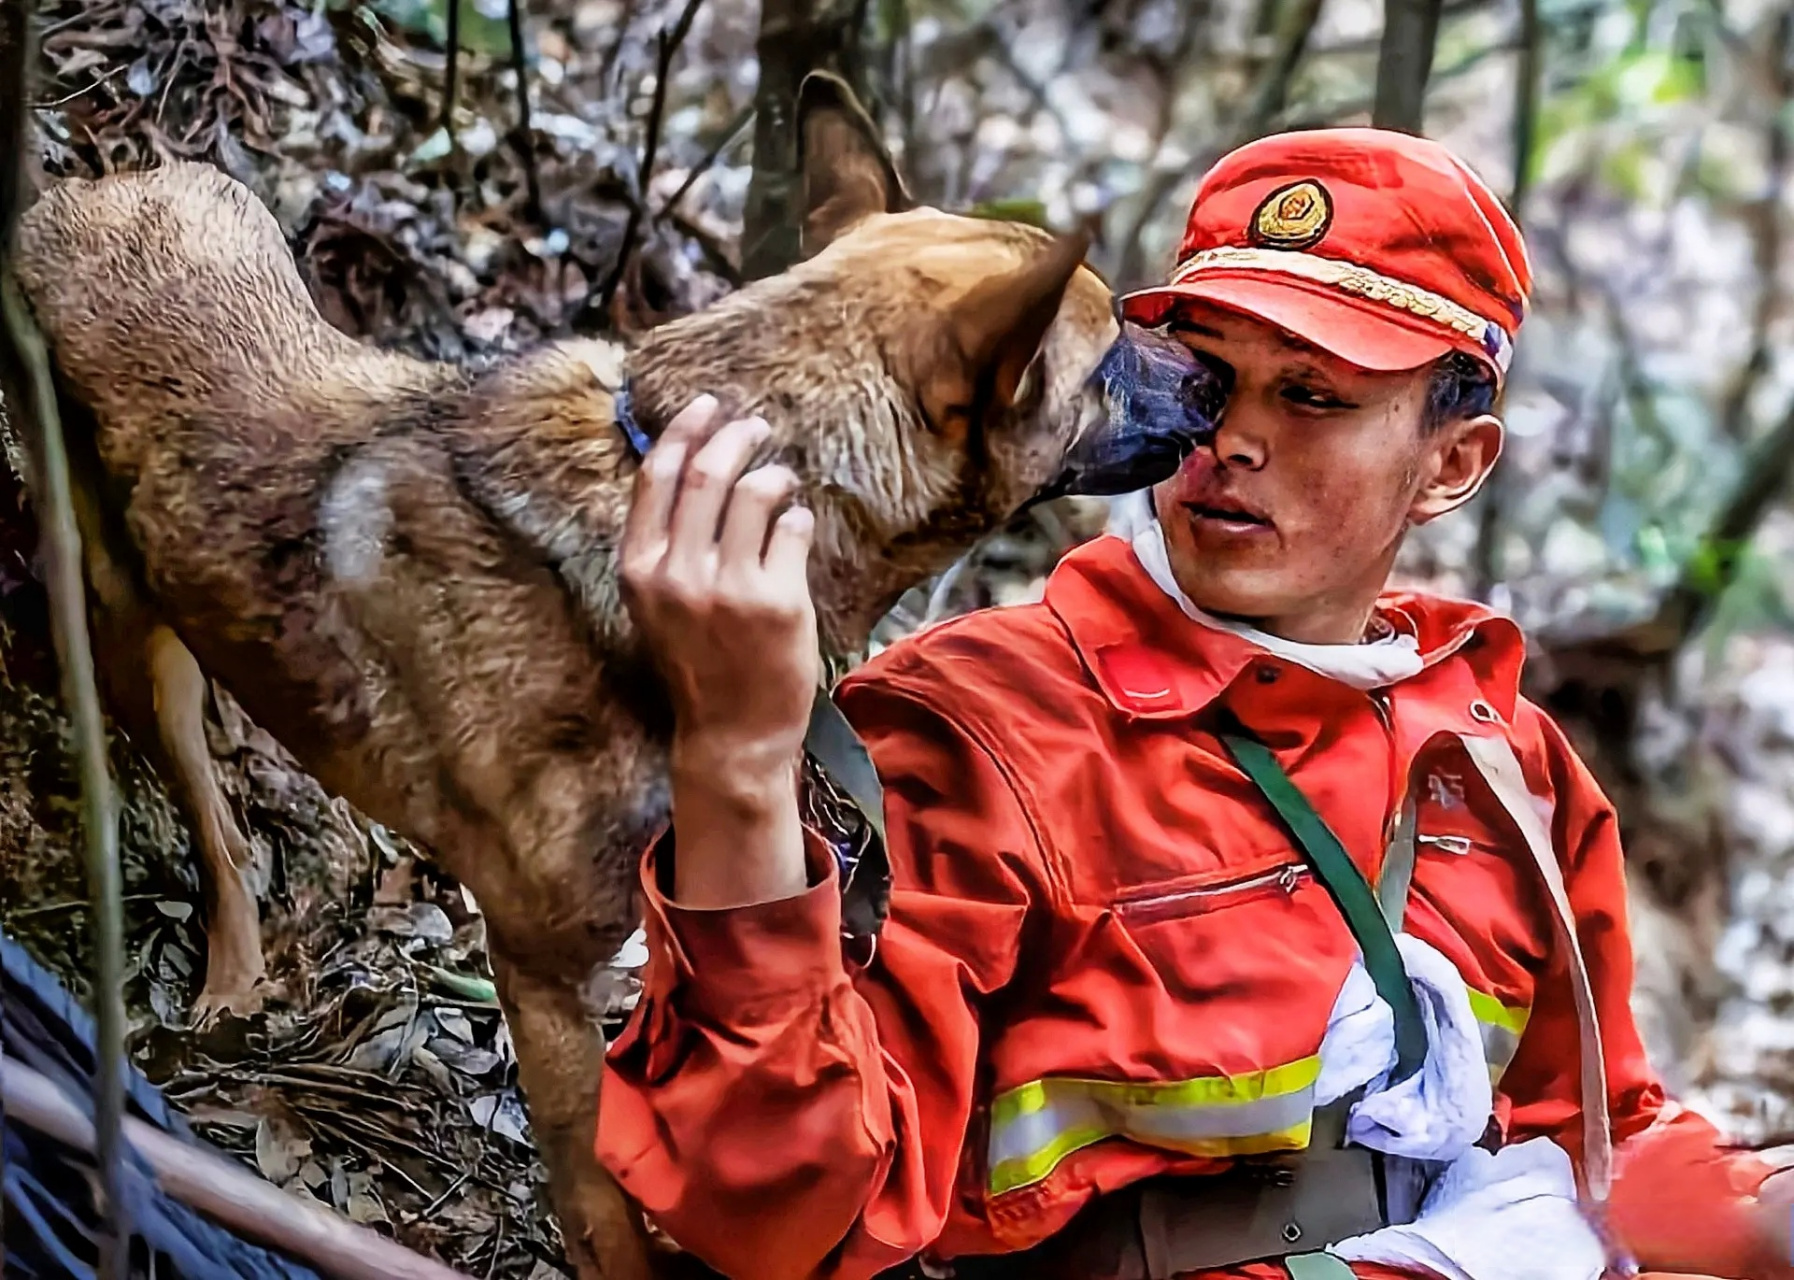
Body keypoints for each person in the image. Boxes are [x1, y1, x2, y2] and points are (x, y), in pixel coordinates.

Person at [595, 127, 1794, 1280]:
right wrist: (741, 764)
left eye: (1313, 397)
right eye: (1209, 377)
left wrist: (1747, 1221)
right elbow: (775, 1218)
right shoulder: (983, 725)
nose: (1231, 440)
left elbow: (1590, 1127)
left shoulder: (1502, 756)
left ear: (1454, 462)